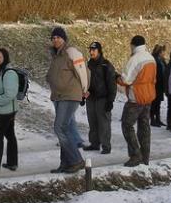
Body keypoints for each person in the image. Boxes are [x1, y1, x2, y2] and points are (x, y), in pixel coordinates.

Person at [46, 26, 89, 174]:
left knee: (60, 127)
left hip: (70, 95)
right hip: (58, 96)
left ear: (64, 39)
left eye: (58, 37)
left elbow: (82, 71)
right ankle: (65, 163)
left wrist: (84, 90)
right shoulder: (56, 55)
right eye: (53, 38)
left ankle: (77, 160)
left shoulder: (72, 52)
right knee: (64, 128)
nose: (55, 40)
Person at [116, 35, 156, 167]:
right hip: (148, 97)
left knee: (127, 125)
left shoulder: (135, 59)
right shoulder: (150, 58)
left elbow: (126, 79)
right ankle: (145, 156)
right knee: (144, 127)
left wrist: (117, 78)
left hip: (136, 98)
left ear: (133, 45)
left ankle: (135, 155)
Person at [83, 41, 117, 154]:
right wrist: (82, 95)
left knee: (104, 124)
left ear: (99, 51)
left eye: (94, 50)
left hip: (103, 99)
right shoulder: (88, 64)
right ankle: (94, 143)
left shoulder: (106, 65)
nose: (91, 52)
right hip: (91, 98)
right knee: (92, 122)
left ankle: (106, 146)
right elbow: (84, 81)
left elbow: (112, 83)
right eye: (90, 50)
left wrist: (110, 100)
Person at [150, 44, 167, 127]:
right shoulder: (154, 60)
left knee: (158, 102)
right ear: (159, 52)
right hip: (155, 84)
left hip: (160, 84)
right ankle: (153, 119)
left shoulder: (161, 60)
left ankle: (158, 119)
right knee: (154, 102)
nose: (164, 53)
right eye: (163, 51)